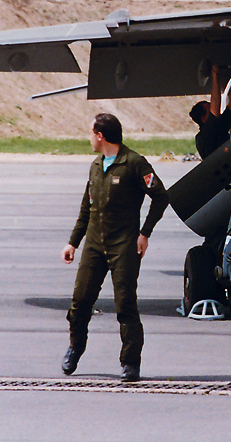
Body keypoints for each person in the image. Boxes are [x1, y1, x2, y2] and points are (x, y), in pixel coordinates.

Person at [61, 113, 170, 382]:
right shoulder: (96, 166)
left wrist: (145, 233)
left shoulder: (134, 163)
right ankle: (75, 347)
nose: (89, 138)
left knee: (125, 304)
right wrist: (73, 242)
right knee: (80, 301)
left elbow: (161, 196)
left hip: (124, 245)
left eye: (91, 133)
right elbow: (87, 207)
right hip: (95, 245)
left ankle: (130, 363)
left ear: (101, 135)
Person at [190, 63, 231, 159]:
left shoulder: (218, 127)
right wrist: (215, 76)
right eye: (209, 110)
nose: (214, 111)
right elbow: (215, 105)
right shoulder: (204, 136)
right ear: (203, 119)